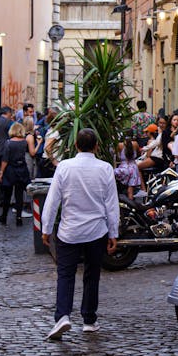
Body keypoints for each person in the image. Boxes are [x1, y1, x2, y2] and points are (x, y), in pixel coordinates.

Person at [41, 128, 119, 340]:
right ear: (95, 146)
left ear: (76, 145)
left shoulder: (65, 167)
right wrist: (114, 233)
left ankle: (63, 316)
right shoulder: (105, 169)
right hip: (96, 231)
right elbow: (111, 204)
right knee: (92, 275)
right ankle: (89, 320)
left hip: (69, 231)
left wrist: (46, 229)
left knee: (65, 274)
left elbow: (52, 200)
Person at [0, 122, 35, 225]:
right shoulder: (24, 142)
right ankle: (19, 218)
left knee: (7, 195)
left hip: (10, 170)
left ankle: (4, 216)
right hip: (21, 169)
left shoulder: (8, 143)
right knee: (19, 195)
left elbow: (5, 159)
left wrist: (1, 172)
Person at [114, 134, 144, 199]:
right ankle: (131, 204)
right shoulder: (135, 144)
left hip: (123, 169)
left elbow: (118, 158)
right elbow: (138, 154)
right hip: (133, 168)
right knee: (130, 190)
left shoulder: (120, 145)